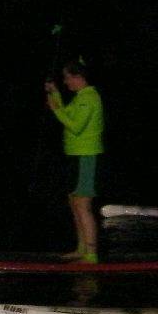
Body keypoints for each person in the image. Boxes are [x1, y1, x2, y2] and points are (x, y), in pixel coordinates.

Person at [44, 57, 105, 263]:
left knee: (82, 205)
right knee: (74, 202)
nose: (65, 81)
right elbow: (66, 113)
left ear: (78, 77)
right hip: (75, 157)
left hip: (86, 157)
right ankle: (81, 250)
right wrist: (55, 94)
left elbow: (75, 126)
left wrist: (55, 109)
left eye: (67, 77)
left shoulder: (89, 98)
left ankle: (91, 254)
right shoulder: (80, 97)